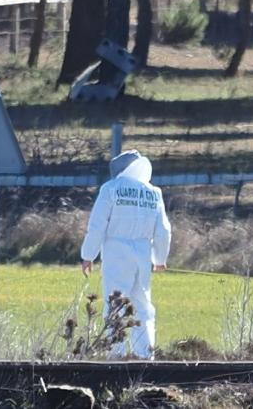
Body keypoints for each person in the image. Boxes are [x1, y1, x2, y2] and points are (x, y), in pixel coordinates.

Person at [80, 149, 172, 359]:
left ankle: (115, 355)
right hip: (143, 254)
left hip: (115, 252)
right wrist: (160, 259)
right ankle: (145, 355)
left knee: (115, 304)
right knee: (142, 306)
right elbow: (164, 230)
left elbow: (97, 225)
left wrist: (88, 255)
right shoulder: (153, 192)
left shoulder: (111, 188)